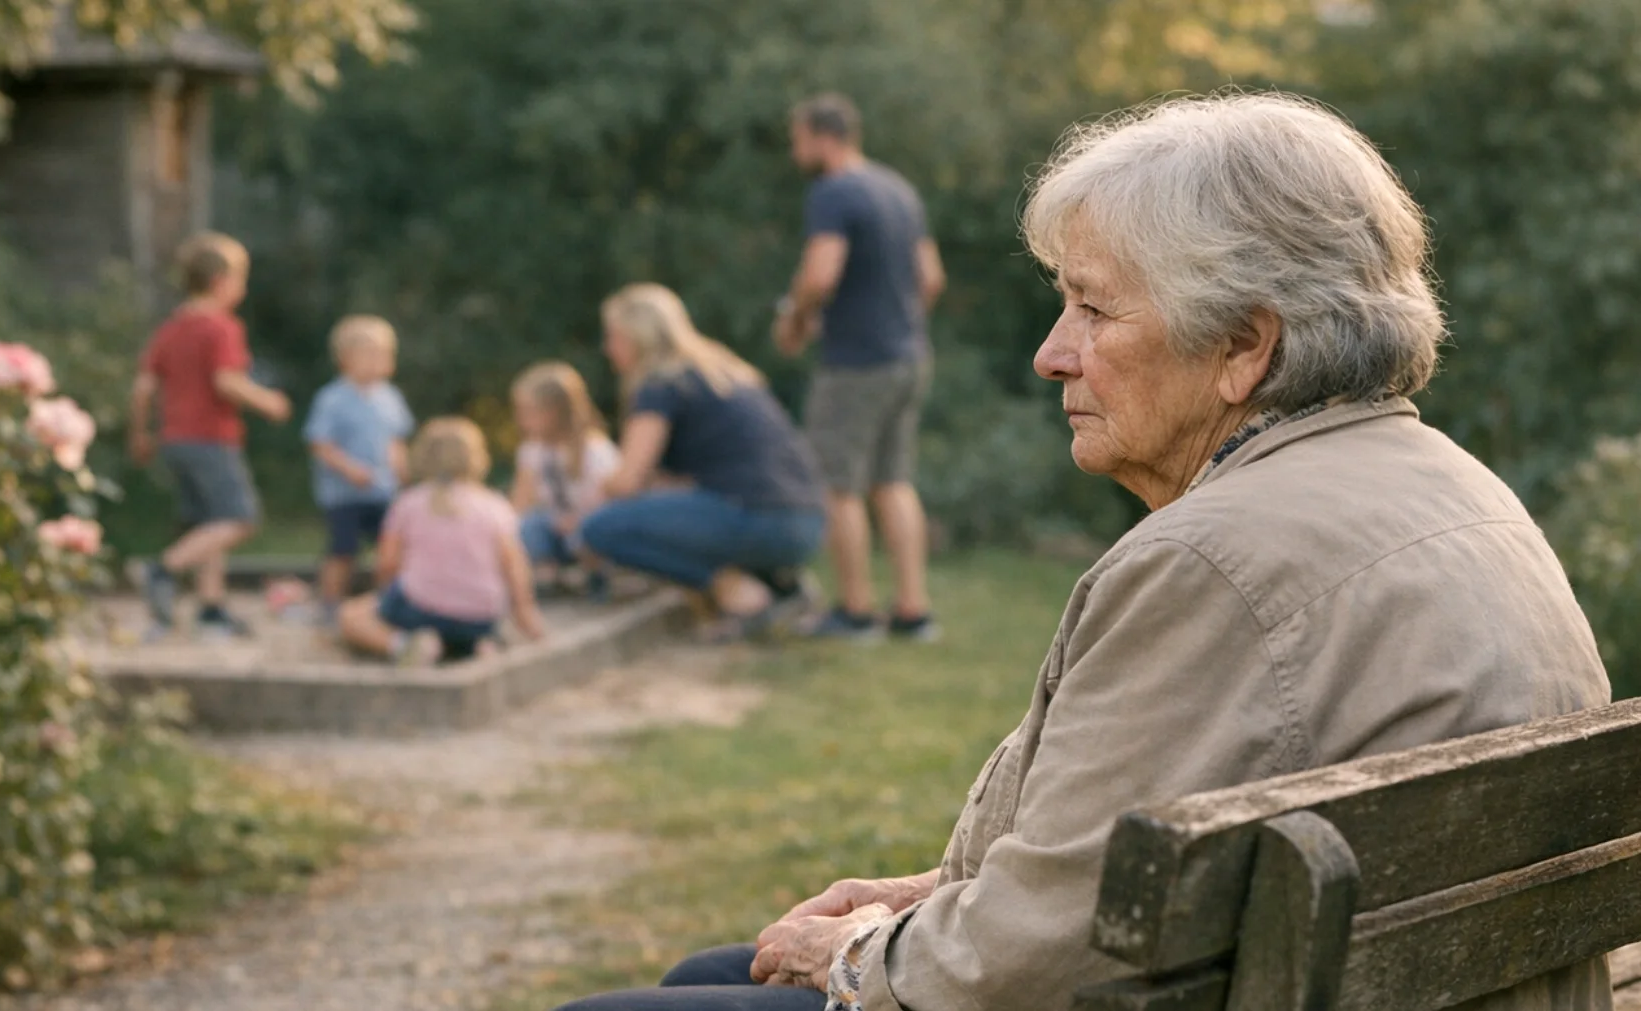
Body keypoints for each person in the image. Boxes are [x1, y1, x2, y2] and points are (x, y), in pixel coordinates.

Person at [557, 93, 1613, 1011]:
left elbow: (1021, 971)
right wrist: (929, 900)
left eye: (1092, 309)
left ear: (1247, 345)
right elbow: (1134, 877)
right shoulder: (1459, 486)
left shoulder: (1212, 561)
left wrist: (859, 956)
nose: (1051, 353)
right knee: (714, 973)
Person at [774, 92, 947, 642]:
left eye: (797, 138)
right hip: (909, 356)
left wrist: (796, 317)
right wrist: (896, 321)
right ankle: (912, 612)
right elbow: (931, 278)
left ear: (822, 137)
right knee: (892, 481)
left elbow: (822, 274)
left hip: (855, 363)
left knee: (837, 485)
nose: (794, 150)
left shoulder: (833, 191)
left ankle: (853, 612)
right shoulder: (897, 188)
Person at [581, 283, 826, 640]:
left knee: (601, 529)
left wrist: (589, 499)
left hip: (756, 517)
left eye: (613, 337)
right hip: (806, 522)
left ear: (639, 337)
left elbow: (626, 482)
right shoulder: (724, 372)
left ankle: (737, 591)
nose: (607, 349)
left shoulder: (660, 383)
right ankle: (779, 584)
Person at [128, 231, 291, 638]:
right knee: (239, 517)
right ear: (221, 281)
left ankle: (211, 606)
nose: (243, 289)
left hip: (174, 440)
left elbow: (143, 387)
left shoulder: (170, 329)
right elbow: (227, 382)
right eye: (241, 279)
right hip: (210, 438)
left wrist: (141, 434)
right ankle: (161, 570)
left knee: (208, 522)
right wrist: (268, 402)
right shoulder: (220, 327)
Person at [337, 417, 545, 664]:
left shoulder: (409, 503)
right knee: (461, 621)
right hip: (480, 617)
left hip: (421, 609)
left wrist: (388, 595)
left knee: (351, 616)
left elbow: (388, 564)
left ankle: (402, 645)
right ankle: (475, 646)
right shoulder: (495, 505)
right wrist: (525, 614)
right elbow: (514, 566)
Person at [304, 314, 414, 624]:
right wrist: (349, 469)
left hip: (383, 490)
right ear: (345, 359)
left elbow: (396, 441)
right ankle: (329, 604)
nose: (379, 361)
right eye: (370, 354)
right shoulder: (332, 399)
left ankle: (387, 603)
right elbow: (320, 444)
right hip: (345, 495)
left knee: (390, 549)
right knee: (343, 550)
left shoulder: (390, 397)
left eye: (384, 355)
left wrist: (404, 473)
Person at [509, 361, 621, 597]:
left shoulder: (594, 450)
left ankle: (596, 573)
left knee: (586, 531)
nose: (521, 420)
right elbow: (520, 503)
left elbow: (613, 500)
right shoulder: (531, 452)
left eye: (529, 412)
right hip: (556, 528)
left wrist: (577, 520)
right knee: (530, 525)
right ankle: (546, 577)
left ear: (555, 412)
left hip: (588, 527)